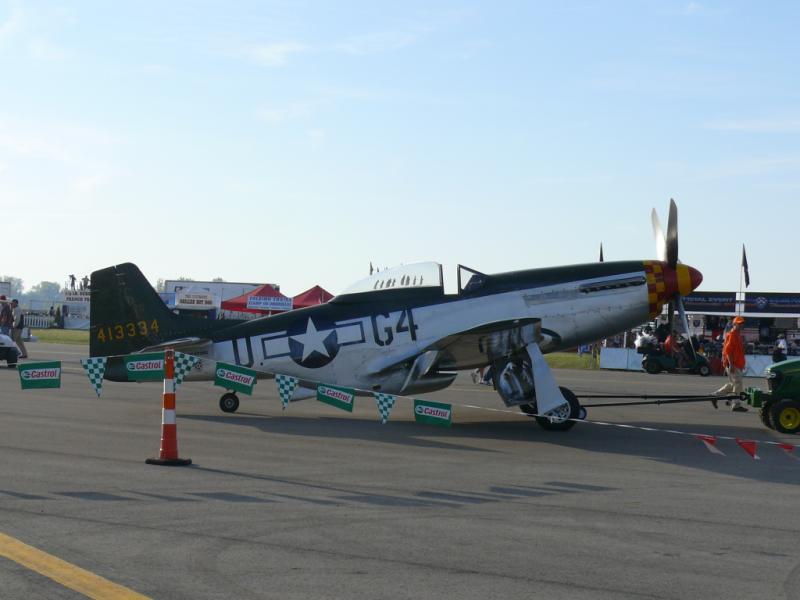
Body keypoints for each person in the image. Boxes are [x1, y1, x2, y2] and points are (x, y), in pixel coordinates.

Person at [713, 315, 748, 412]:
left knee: (733, 384)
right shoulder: (732, 335)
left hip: (737, 364)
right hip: (734, 364)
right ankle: (736, 405)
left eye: (742, 324)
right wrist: (731, 364)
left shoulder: (737, 335)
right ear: (734, 324)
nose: (741, 325)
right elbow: (728, 351)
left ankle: (715, 395)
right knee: (738, 384)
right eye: (739, 324)